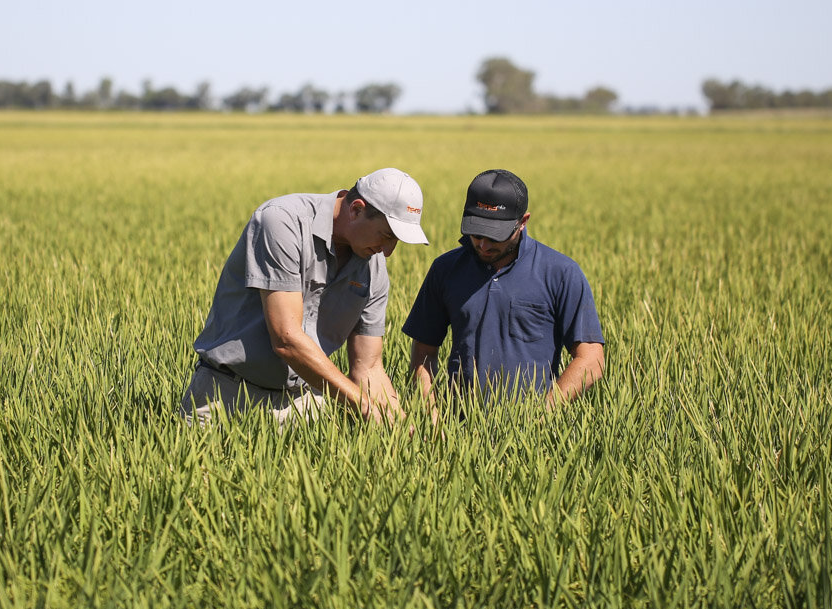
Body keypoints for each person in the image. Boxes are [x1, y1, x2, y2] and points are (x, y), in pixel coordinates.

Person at [179, 168, 428, 426]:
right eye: (386, 236)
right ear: (356, 209)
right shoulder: (282, 222)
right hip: (226, 397)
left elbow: (369, 367)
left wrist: (400, 425)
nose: (388, 251)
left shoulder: (373, 266)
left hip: (303, 405)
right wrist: (362, 404)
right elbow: (286, 339)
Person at [402, 168, 604, 412]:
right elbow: (424, 351)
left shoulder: (560, 273)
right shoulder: (445, 269)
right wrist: (431, 415)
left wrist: (543, 415)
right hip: (458, 424)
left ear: (523, 222)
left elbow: (591, 359)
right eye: (476, 233)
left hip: (532, 425)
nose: (483, 245)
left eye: (495, 236)